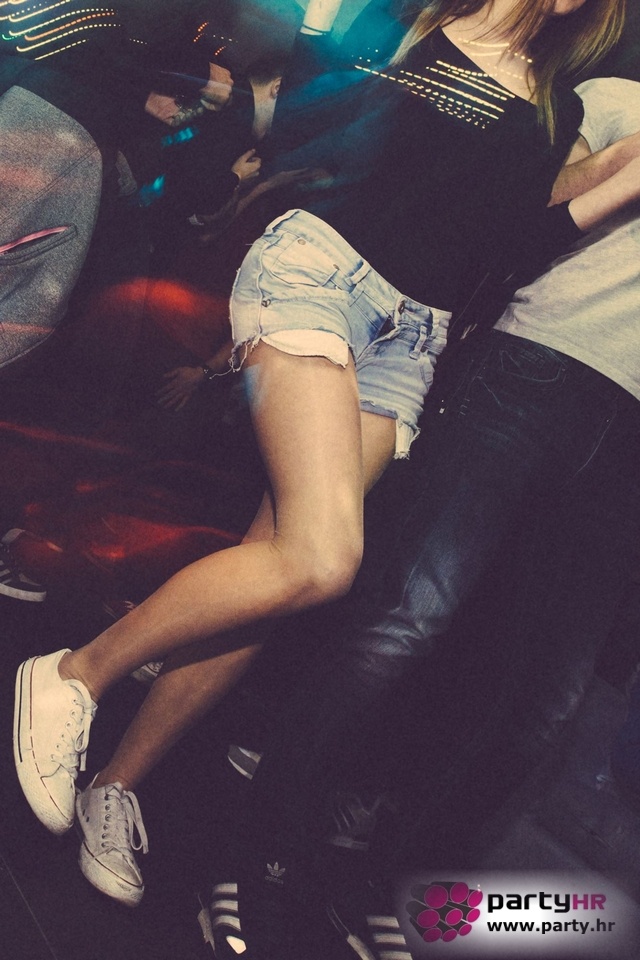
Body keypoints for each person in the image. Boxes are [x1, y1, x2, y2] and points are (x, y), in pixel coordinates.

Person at [12, 0, 627, 913]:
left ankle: (118, 783)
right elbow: (311, 124)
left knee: (280, 570)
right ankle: (76, 675)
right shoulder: (409, 26)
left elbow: (506, 244)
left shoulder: (556, 106)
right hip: (319, 275)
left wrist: (617, 178)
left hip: (412, 338)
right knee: (324, 557)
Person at [193, 73, 640, 959]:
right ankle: (256, 860)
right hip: (536, 368)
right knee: (404, 622)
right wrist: (620, 163)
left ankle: (395, 891)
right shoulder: (615, 96)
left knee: (545, 706)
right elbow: (518, 210)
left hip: (629, 440)